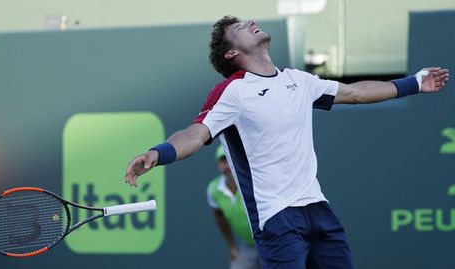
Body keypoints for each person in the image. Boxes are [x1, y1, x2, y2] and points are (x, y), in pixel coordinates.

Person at [125, 15, 450, 269]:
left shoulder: (298, 79)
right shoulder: (233, 91)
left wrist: (415, 83)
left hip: (318, 210)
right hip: (276, 220)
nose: (251, 23)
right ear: (232, 52)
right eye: (240, 27)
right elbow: (195, 135)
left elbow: (356, 94)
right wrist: (160, 152)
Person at [207, 145, 260, 269]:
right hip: (249, 245)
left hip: (272, 241)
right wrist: (231, 246)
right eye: (222, 161)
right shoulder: (213, 190)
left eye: (229, 159)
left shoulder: (253, 180)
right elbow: (220, 219)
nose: (227, 165)